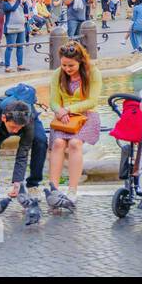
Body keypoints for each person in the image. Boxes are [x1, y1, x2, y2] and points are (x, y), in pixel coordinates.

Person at [45, 42, 102, 205]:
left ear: (81, 62)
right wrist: (59, 111)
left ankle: (72, 190)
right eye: (64, 65)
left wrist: (68, 109)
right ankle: (53, 189)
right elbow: (54, 101)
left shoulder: (93, 73)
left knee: (75, 144)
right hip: (64, 117)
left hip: (87, 115)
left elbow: (92, 101)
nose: (67, 69)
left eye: (71, 65)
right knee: (57, 143)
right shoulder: (57, 74)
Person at [1, 0, 30, 72]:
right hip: (11, 28)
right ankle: (7, 66)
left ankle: (20, 65)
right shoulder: (5, 3)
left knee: (20, 47)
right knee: (10, 47)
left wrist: (24, 2)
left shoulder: (19, 2)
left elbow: (25, 10)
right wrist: (18, 0)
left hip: (21, 27)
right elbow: (12, 8)